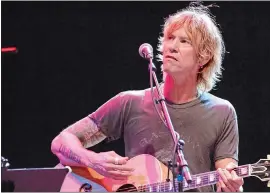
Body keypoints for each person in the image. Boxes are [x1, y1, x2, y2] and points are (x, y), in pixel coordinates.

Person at [51, 2, 243, 192]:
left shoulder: (221, 112)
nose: (172, 47)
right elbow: (61, 142)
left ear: (204, 57)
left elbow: (227, 177)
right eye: (169, 38)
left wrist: (233, 186)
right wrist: (94, 161)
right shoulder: (129, 102)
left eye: (184, 41)